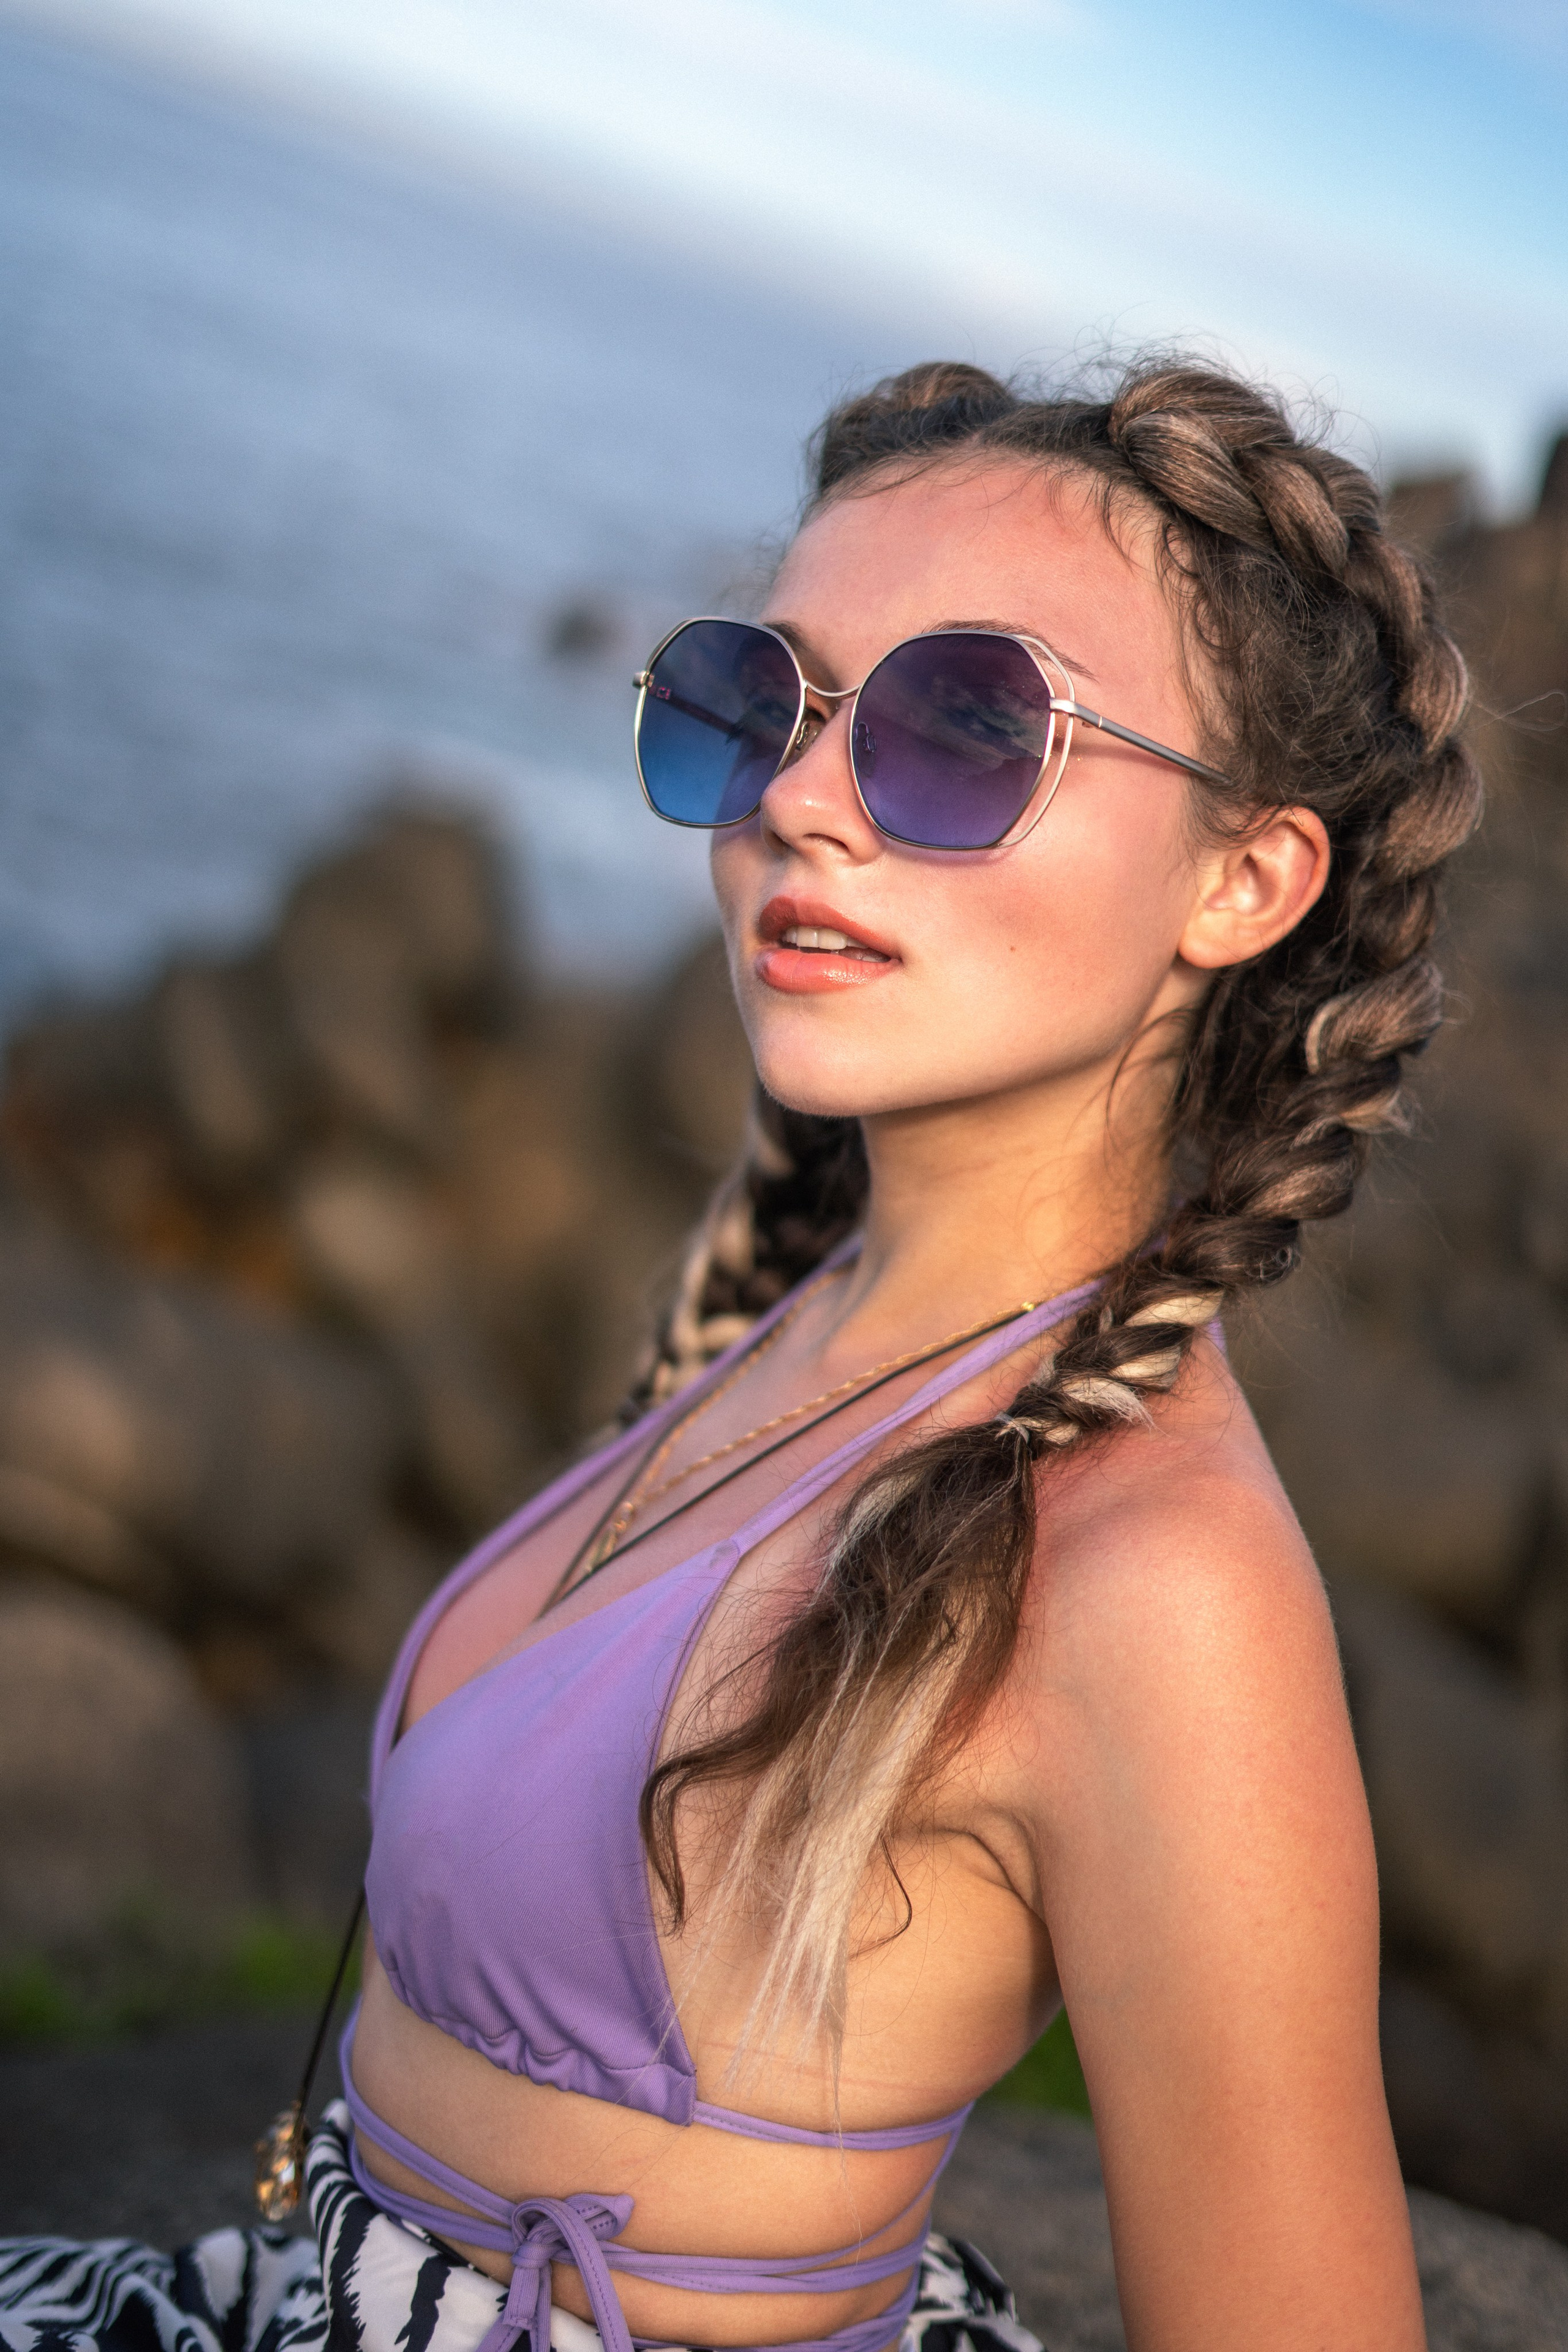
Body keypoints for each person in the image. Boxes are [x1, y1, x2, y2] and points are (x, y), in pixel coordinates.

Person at [0, 353, 1479, 2352]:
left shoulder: (1161, 1591)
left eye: (969, 727)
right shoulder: (819, 1298)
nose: (792, 796)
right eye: (755, 699)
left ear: (1245, 878)